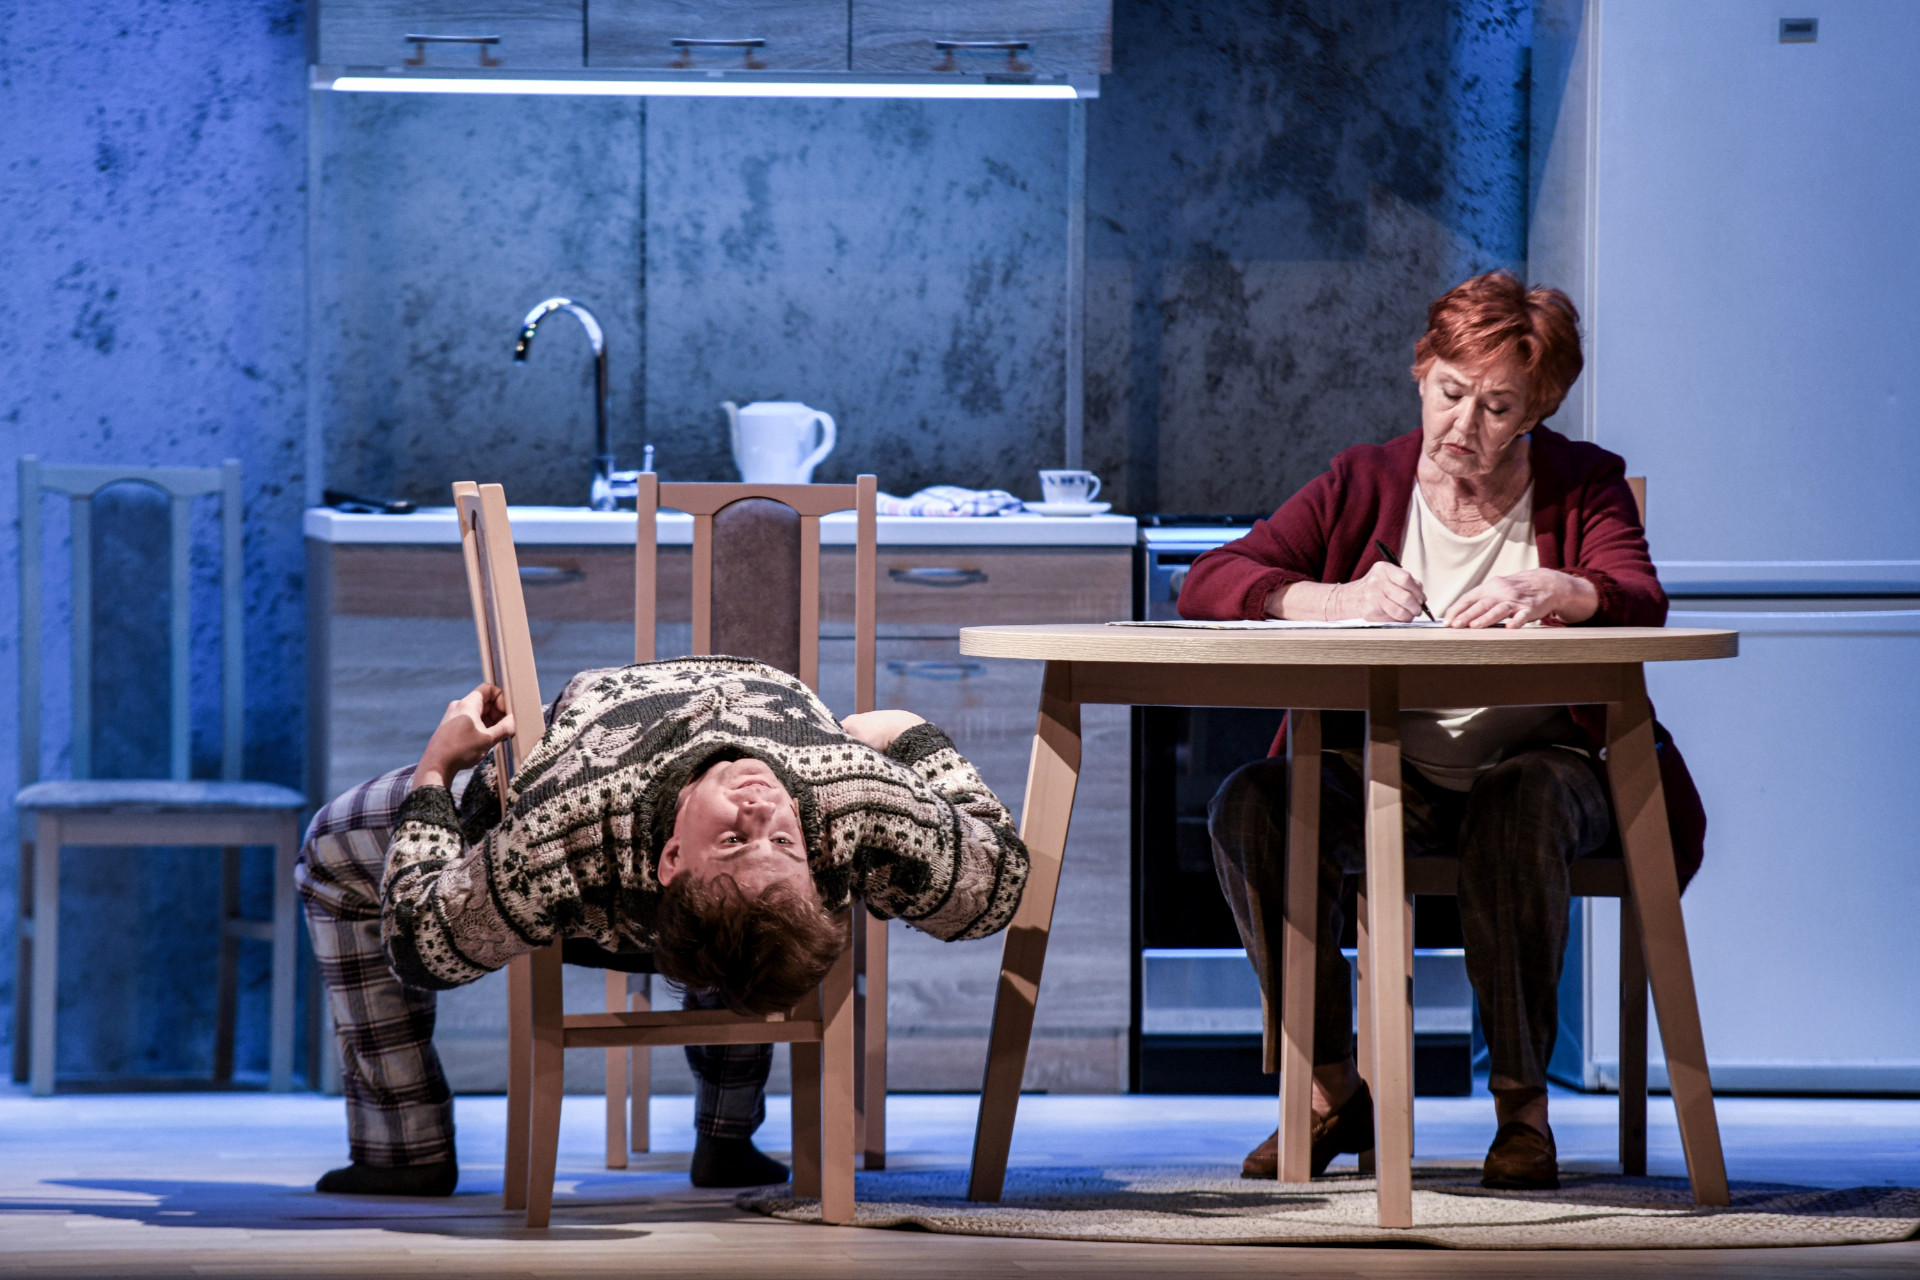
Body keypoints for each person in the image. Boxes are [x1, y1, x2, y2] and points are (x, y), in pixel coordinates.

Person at [1179, 270, 1706, 1192]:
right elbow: (1212, 579)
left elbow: (1639, 595)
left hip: (1551, 770)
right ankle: (1335, 1090)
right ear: (1421, 373)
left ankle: (1522, 1111)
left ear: (1537, 410)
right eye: (1451, 393)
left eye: (1497, 408)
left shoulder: (1585, 483)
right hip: (1392, 775)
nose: (1464, 425)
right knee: (1251, 804)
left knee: (1519, 799)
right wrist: (1329, 599)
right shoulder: (1363, 480)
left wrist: (1565, 588)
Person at [297, 655, 1028, 1196]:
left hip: (582, 851)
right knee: (745, 919)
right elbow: (997, 881)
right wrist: (908, 735)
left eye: (738, 839)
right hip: (607, 876)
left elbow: (420, 939)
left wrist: (436, 767)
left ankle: (405, 1146)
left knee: (330, 850)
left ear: (674, 860)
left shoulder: (559, 832)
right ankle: (727, 1137)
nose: (761, 808)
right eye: (777, 840)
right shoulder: (859, 796)